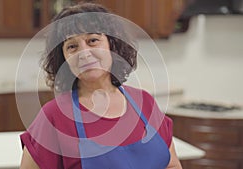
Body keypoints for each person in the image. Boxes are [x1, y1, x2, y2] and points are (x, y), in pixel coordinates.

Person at [20, 2, 182, 169]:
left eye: (92, 40)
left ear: (112, 44)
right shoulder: (53, 117)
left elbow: (172, 165)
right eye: (72, 46)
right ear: (64, 59)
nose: (84, 53)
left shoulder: (145, 102)